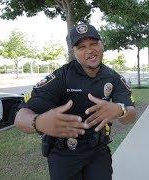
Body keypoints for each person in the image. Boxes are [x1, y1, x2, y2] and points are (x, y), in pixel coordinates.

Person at [14, 23, 137, 180]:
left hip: (98, 151)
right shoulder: (62, 76)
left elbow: (131, 116)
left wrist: (121, 110)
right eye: (81, 47)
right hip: (64, 154)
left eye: (93, 43)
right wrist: (37, 122)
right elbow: (21, 116)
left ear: (102, 45)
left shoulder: (113, 78)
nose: (89, 50)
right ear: (74, 52)